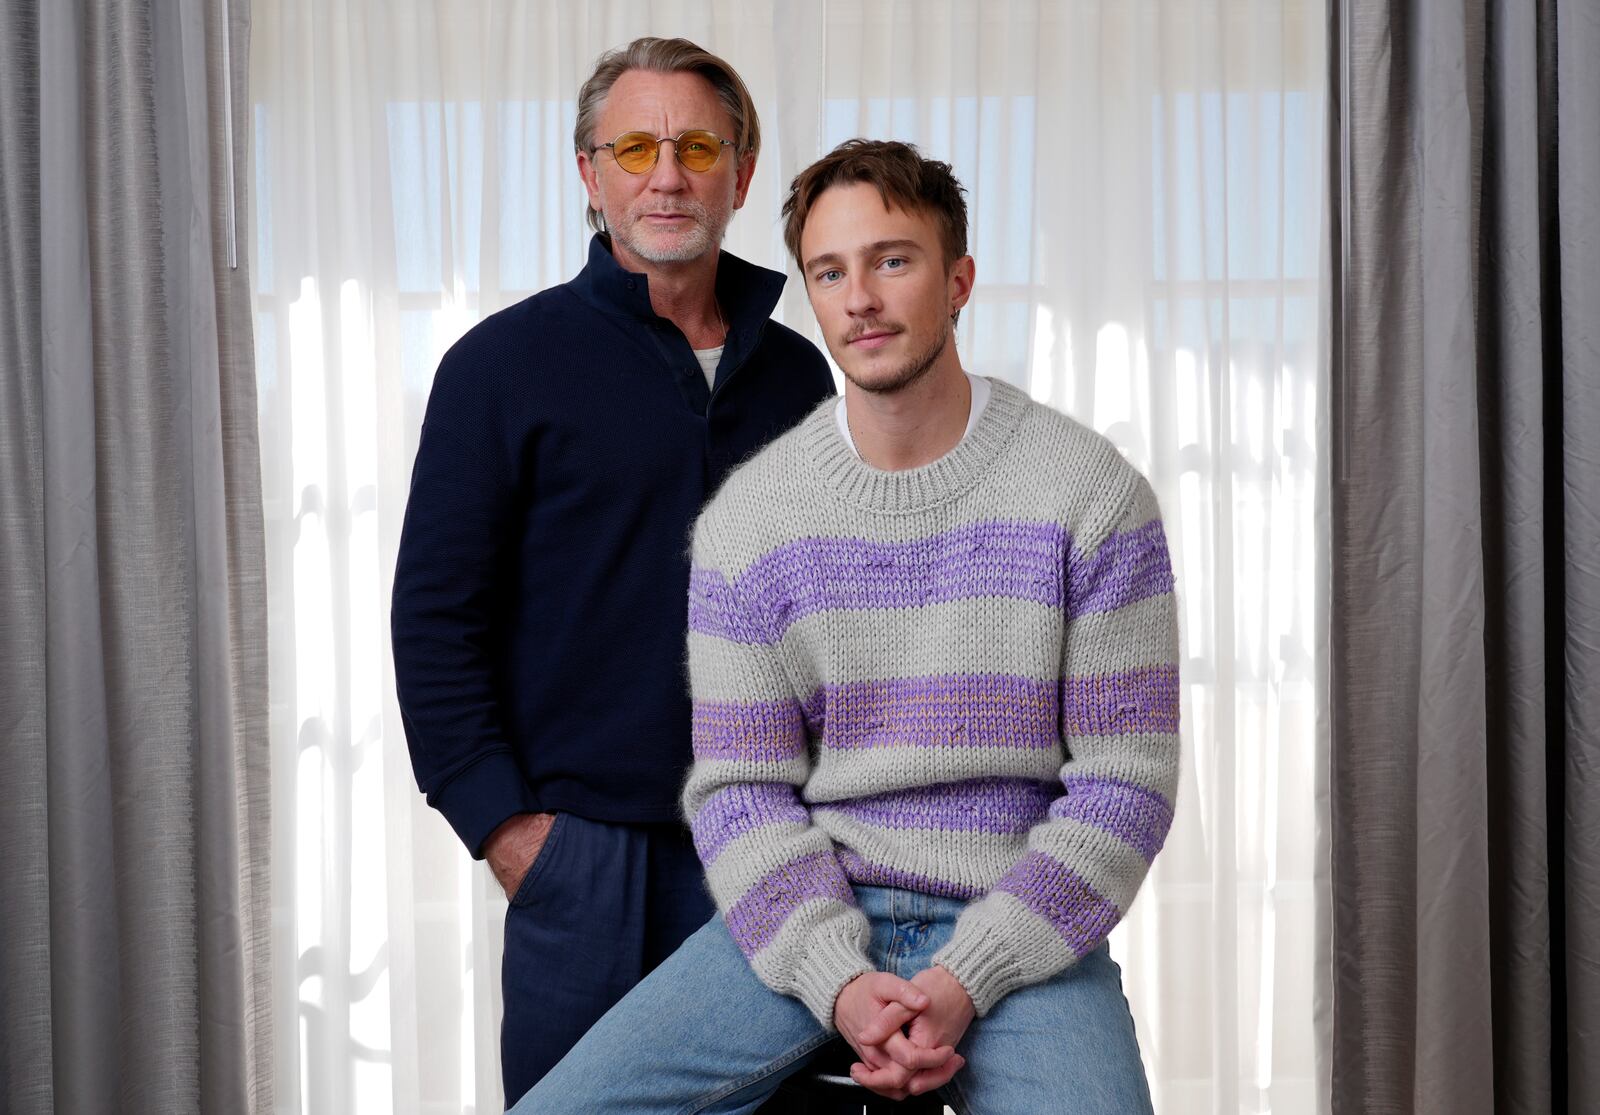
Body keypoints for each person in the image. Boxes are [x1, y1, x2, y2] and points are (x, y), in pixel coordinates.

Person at [511, 139, 1179, 1114]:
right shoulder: (752, 521)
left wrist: (964, 978)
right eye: (830, 271)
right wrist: (837, 978)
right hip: (812, 910)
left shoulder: (1091, 494)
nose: (858, 295)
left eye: (891, 260)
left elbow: (1128, 781)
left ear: (958, 281)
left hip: (1022, 918)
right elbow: (741, 788)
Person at [389, 37, 835, 1106]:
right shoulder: (500, 365)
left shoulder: (799, 371)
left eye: (695, 145)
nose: (666, 174)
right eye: (634, 146)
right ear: (589, 174)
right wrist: (505, 829)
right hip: (579, 858)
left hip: (770, 849)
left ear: (740, 167)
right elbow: (435, 617)